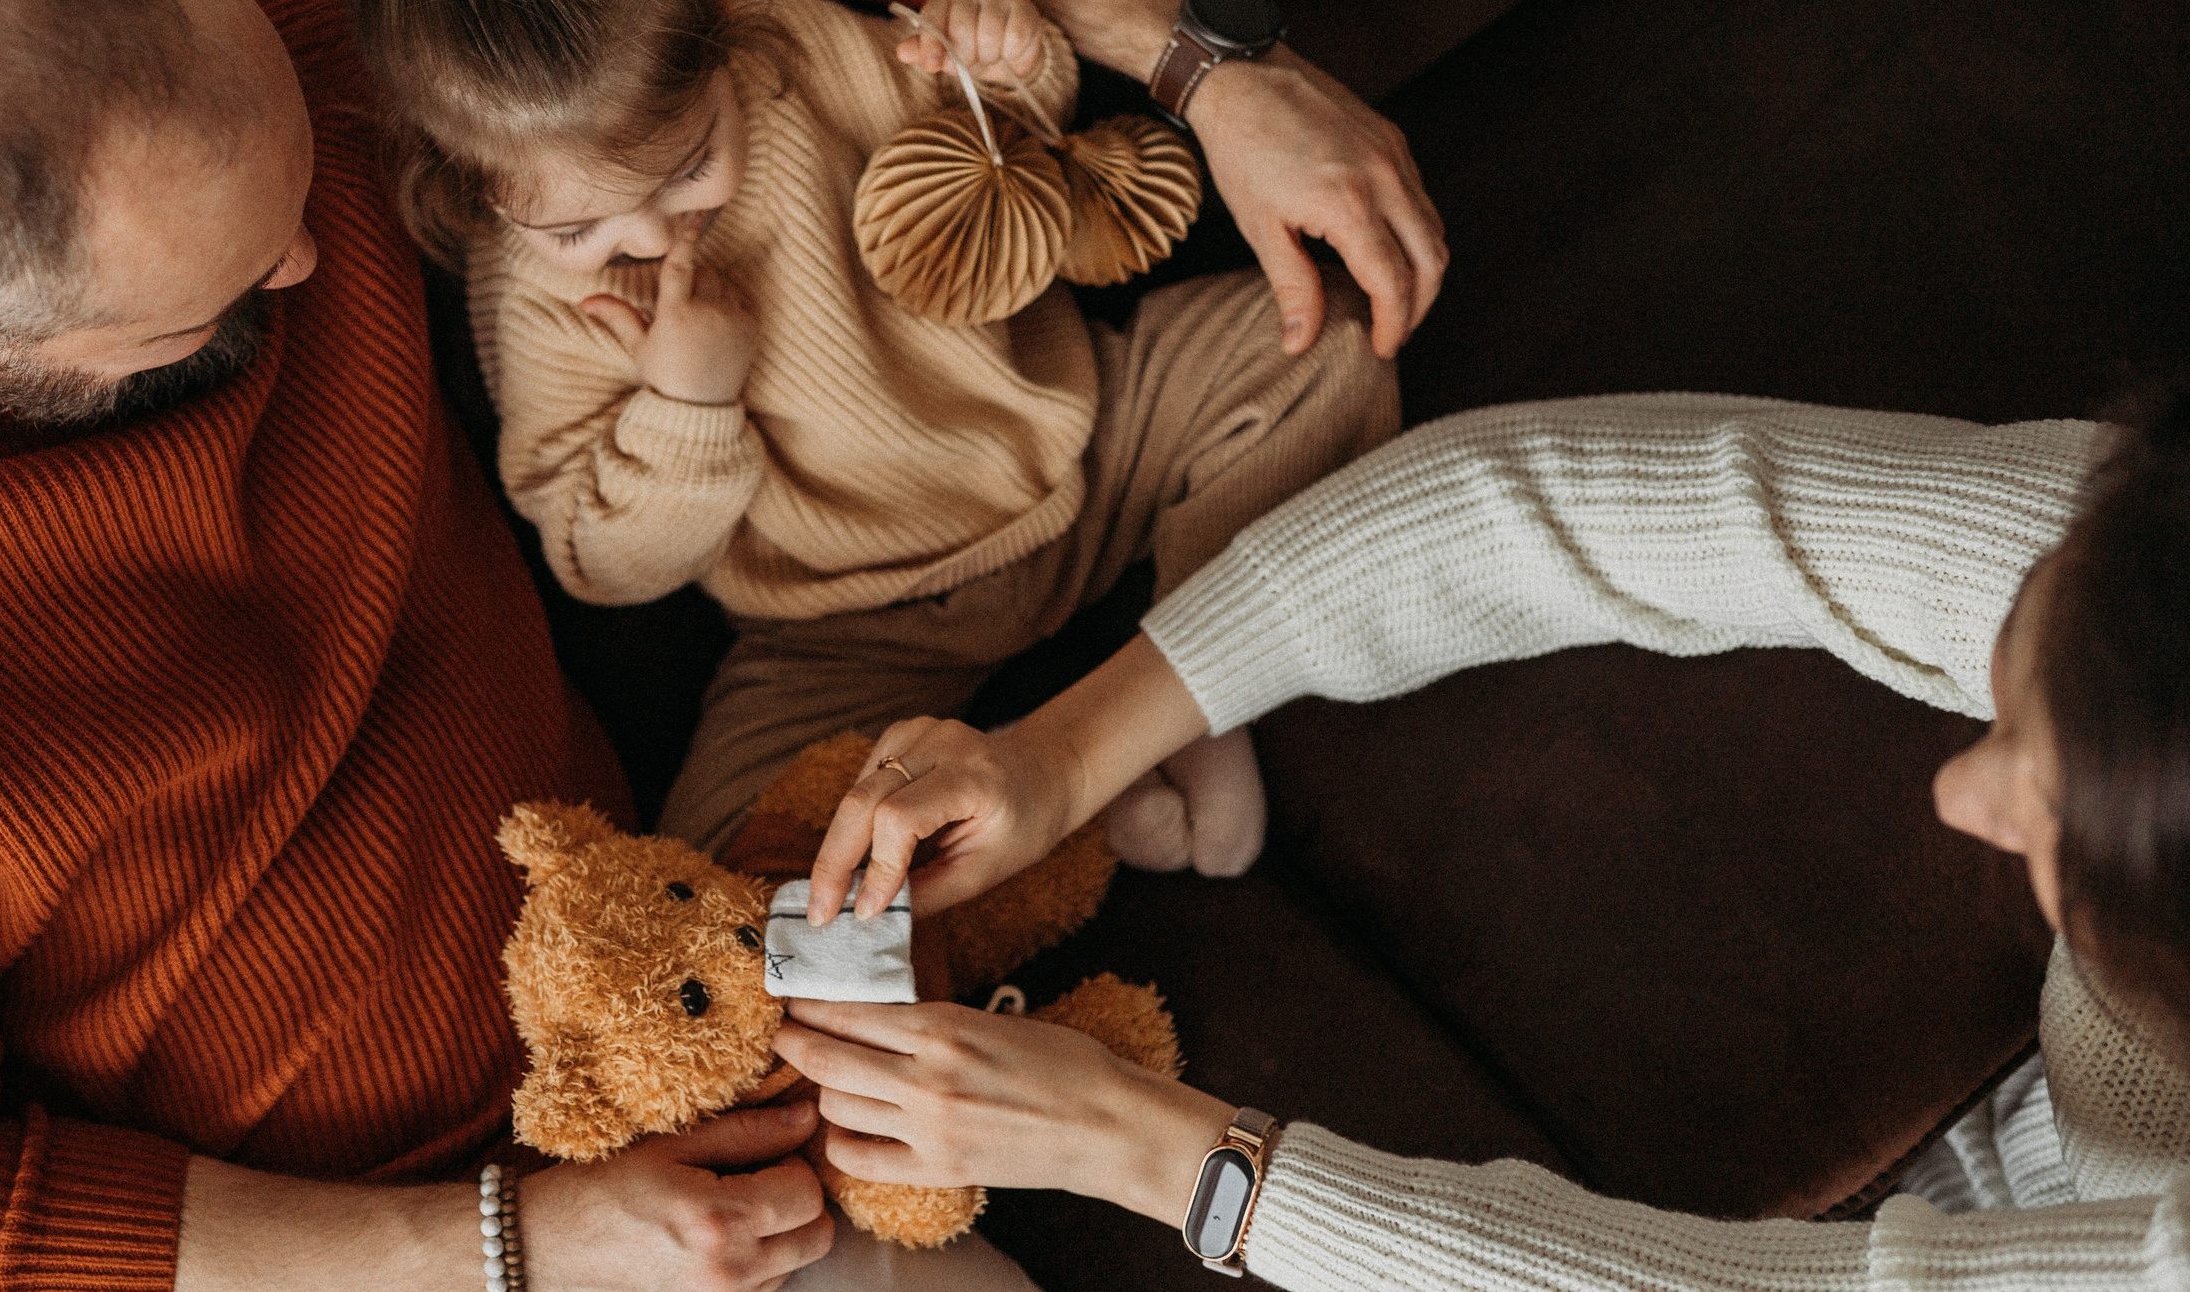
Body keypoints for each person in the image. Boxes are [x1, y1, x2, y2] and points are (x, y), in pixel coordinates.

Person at [0, 0, 1441, 1292]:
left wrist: (1211, 65)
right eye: (227, 302)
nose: (319, 266)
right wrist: (516, 1248)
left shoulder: (292, 39)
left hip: (684, 1002)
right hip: (374, 1238)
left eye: (297, 193)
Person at [339, 0, 1399, 883]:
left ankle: (1192, 683)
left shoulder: (803, 55)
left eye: (688, 166)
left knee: (1325, 341)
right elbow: (598, 560)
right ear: (474, 188)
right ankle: (1058, 804)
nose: (644, 237)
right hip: (838, 628)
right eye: (584, 224)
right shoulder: (530, 294)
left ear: (730, 24)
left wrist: (1000, 67)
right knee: (716, 878)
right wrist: (687, 406)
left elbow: (1006, 179)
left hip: (1076, 445)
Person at [778, 389, 2190, 1288]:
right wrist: (1067, 745)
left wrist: (1152, 1147)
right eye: (2003, 681)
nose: (1960, 794)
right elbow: (1551, 506)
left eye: (2036, 789)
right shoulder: (2142, 555)